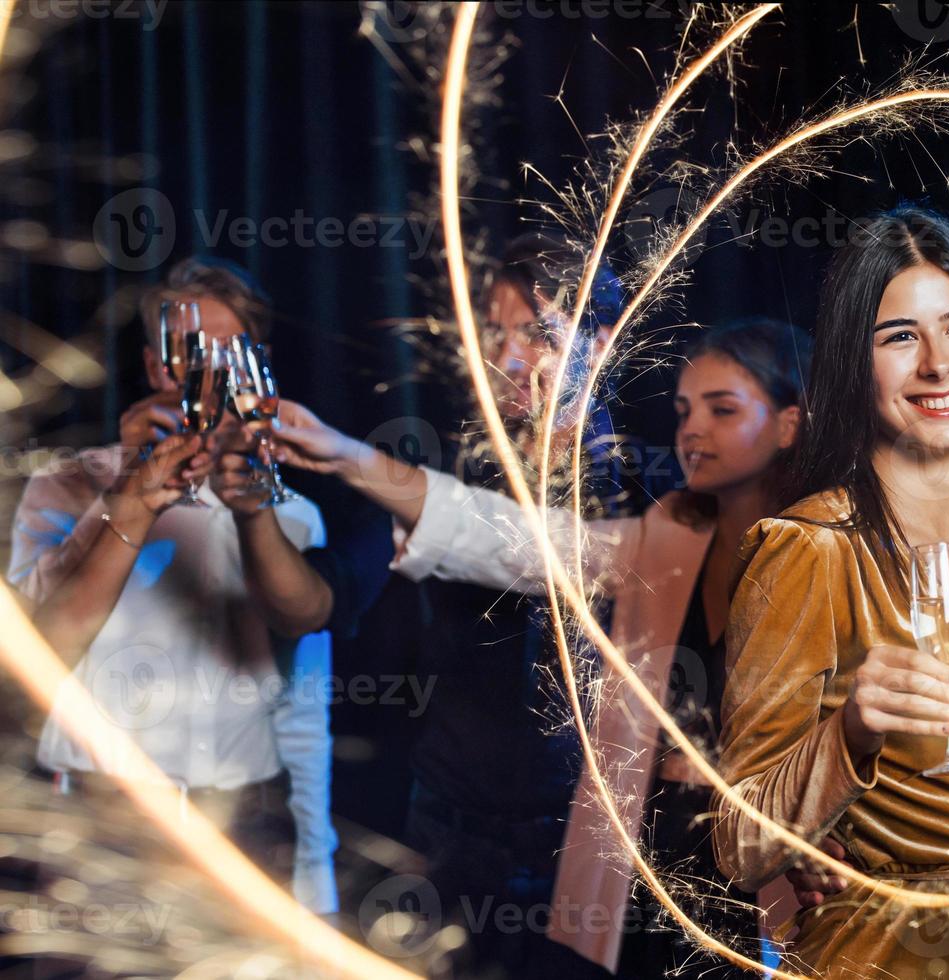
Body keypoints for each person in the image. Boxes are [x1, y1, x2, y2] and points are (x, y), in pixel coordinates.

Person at [268, 319, 812, 978]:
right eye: (685, 409)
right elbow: (515, 540)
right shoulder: (673, 529)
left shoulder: (837, 546)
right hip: (654, 860)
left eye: (722, 409)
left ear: (790, 423)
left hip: (785, 864)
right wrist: (344, 454)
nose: (692, 428)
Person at [712, 207, 949, 979]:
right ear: (851, 365)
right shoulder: (811, 549)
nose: (939, 364)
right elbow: (739, 842)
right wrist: (850, 732)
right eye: (900, 337)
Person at [7, 257, 340, 915]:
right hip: (103, 819)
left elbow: (304, 699)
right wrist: (127, 489)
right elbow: (41, 649)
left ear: (257, 364)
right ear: (156, 365)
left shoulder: (293, 511)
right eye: (186, 351)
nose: (205, 370)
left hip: (245, 818)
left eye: (226, 350)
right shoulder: (64, 486)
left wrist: (316, 865)